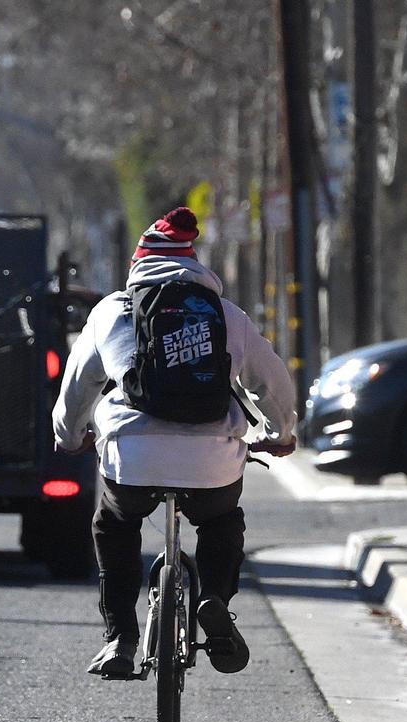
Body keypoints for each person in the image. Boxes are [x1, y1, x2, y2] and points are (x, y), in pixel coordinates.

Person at [52, 206, 297, 677]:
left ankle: (121, 637)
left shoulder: (113, 311)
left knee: (114, 524)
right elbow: (272, 382)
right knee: (222, 521)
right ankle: (214, 600)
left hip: (133, 459)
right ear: (194, 264)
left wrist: (69, 435)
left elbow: (78, 385)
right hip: (213, 462)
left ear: (137, 265)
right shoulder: (225, 315)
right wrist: (281, 433)